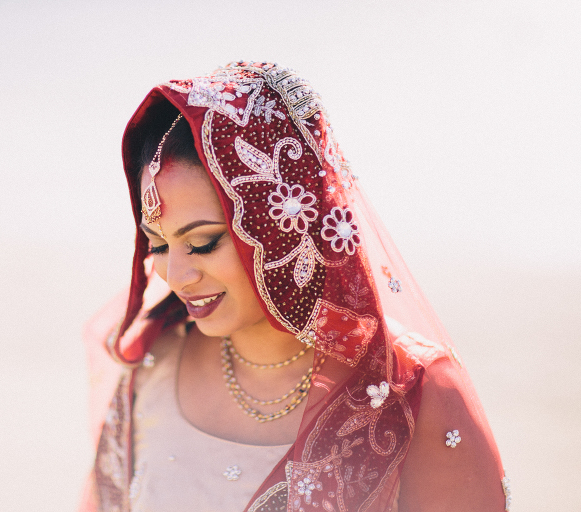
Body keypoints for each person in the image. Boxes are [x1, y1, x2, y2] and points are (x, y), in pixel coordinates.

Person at [81, 61, 510, 511]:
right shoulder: (152, 366)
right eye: (158, 246)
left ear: (281, 224)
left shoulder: (409, 393)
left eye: (203, 243)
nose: (178, 275)